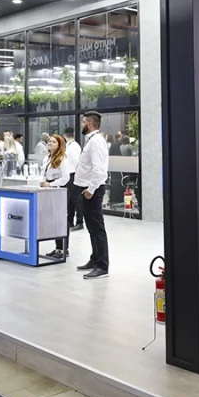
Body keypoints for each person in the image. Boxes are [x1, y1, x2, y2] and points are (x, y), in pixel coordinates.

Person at [74, 111, 110, 280]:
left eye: (83, 122)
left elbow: (99, 170)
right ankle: (95, 259)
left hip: (92, 190)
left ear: (89, 124)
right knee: (91, 228)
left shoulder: (96, 142)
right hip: (86, 188)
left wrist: (91, 189)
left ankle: (102, 266)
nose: (82, 125)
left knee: (97, 228)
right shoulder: (91, 140)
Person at [39, 134, 70, 259]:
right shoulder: (47, 158)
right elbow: (43, 172)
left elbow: (65, 178)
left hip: (59, 190)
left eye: (53, 142)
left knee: (61, 220)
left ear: (59, 145)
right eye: (49, 141)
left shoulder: (62, 159)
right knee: (53, 220)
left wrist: (51, 184)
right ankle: (57, 247)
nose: (50, 143)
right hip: (49, 190)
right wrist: (42, 182)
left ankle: (63, 249)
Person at [63, 127, 84, 232]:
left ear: (64, 135)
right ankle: (69, 221)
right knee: (70, 200)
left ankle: (80, 222)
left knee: (76, 199)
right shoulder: (69, 146)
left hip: (74, 175)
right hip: (69, 175)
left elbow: (77, 162)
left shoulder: (73, 146)